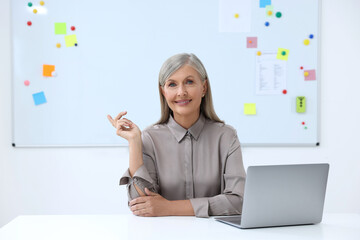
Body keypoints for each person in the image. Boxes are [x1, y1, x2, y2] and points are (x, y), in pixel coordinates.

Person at [107, 53, 246, 218]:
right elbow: (140, 205)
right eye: (172, 84)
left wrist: (168, 208)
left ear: (204, 88)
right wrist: (135, 142)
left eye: (189, 82)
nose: (181, 92)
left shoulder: (226, 137)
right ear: (163, 92)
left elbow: (239, 202)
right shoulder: (150, 138)